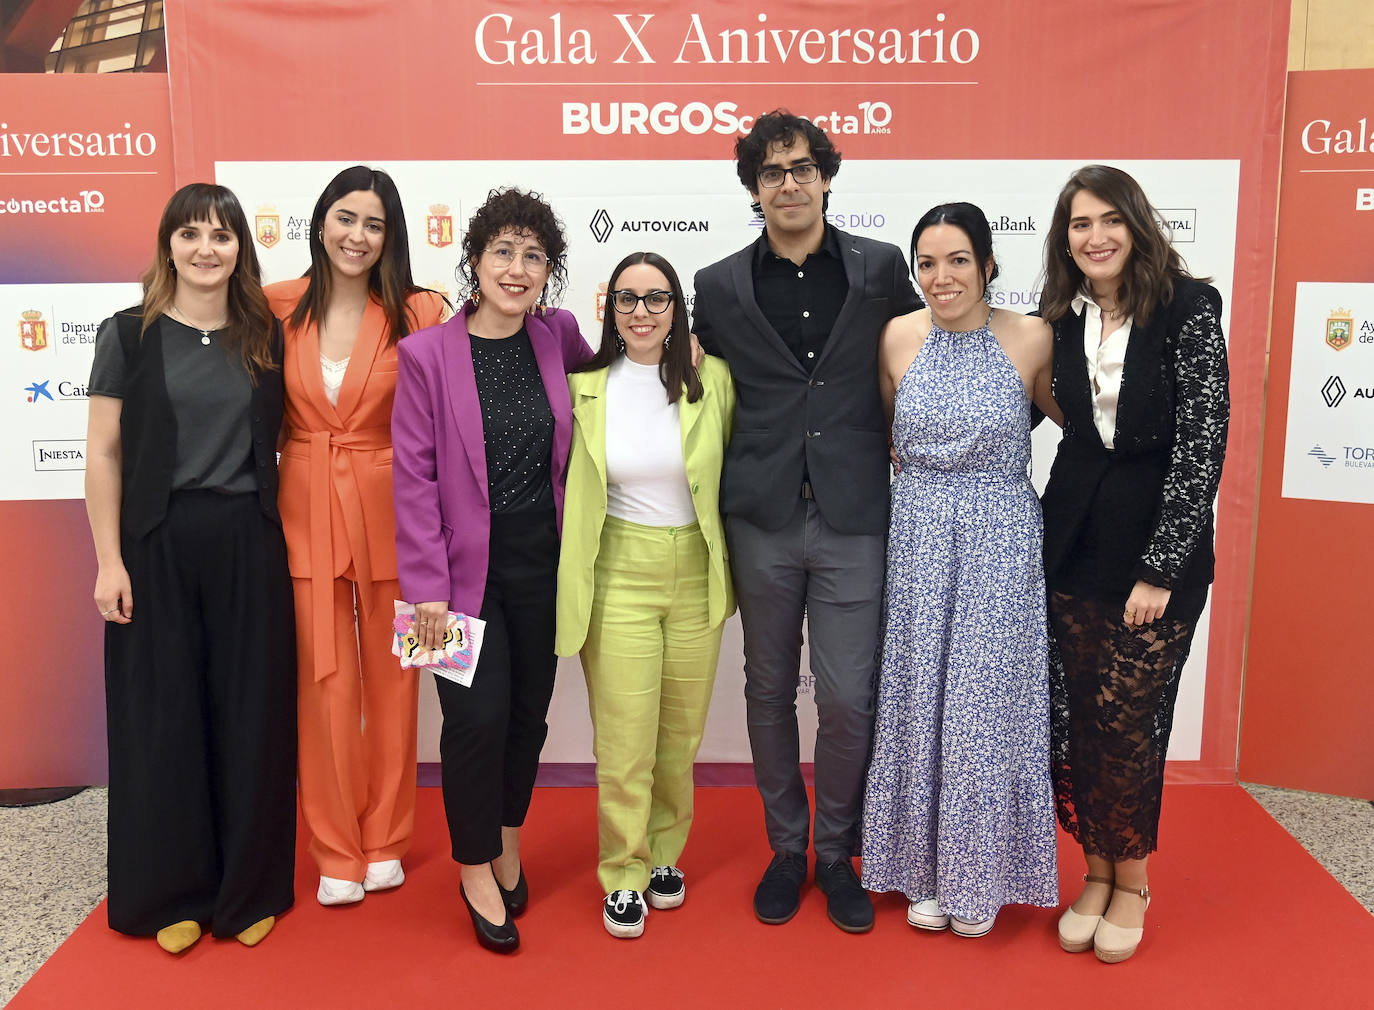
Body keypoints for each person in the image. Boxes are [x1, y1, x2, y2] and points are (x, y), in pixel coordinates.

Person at [691, 110, 921, 934]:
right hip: (761, 514)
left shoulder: (883, 269)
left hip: (857, 511)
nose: (788, 182)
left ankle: (836, 852)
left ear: (825, 175)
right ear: (753, 188)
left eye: (801, 168)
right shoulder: (715, 285)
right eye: (771, 172)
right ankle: (786, 849)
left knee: (850, 697)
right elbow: (691, 380)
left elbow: (925, 356)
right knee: (765, 690)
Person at [84, 183, 295, 953]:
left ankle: (248, 890)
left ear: (242, 247)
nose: (207, 248)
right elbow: (105, 452)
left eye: (222, 234)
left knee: (251, 715)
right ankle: (171, 893)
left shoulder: (265, 334)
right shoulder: (128, 335)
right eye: (191, 234)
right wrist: (109, 561)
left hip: (248, 540)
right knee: (163, 720)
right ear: (168, 244)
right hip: (156, 542)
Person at [391, 188, 593, 954]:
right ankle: (474, 867)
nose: (517, 267)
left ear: (549, 270)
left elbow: (614, 382)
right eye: (503, 251)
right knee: (471, 725)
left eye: (534, 254)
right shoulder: (424, 355)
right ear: (474, 259)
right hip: (446, 578)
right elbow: (410, 478)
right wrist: (427, 593)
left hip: (542, 561)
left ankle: (507, 837)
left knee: (527, 717)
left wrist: (684, 350)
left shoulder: (559, 336)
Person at [1039, 165, 1230, 963]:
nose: (1096, 236)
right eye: (1081, 224)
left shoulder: (1187, 307)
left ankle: (1134, 881)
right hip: (1073, 542)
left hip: (1157, 558)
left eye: (1110, 219)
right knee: (1076, 719)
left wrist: (1159, 568)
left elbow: (1201, 445)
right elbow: (1066, 419)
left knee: (1129, 727)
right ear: (1066, 238)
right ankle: (1093, 871)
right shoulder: (1057, 315)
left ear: (1137, 224)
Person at [860, 202, 1062, 938]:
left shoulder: (1033, 337)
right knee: (920, 702)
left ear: (987, 264)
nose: (940, 278)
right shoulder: (897, 337)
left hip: (1001, 542)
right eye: (926, 263)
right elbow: (887, 434)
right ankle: (921, 871)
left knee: (983, 712)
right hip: (916, 536)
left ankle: (978, 874)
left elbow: (1088, 425)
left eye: (957, 261)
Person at [266, 166, 447, 907]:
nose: (358, 236)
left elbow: (462, 399)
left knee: (402, 680)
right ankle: (335, 847)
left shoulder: (421, 310)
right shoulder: (274, 304)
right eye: (346, 218)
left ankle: (387, 840)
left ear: (390, 236)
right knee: (324, 686)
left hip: (400, 513)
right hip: (303, 505)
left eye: (374, 224)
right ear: (319, 222)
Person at [556, 252, 735, 939]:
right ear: (610, 309)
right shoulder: (584, 386)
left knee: (679, 736)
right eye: (627, 299)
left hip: (694, 570)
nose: (640, 311)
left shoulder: (711, 379)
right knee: (626, 741)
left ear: (677, 308)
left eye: (656, 298)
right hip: (617, 573)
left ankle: (664, 855)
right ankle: (623, 871)